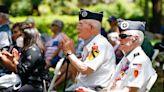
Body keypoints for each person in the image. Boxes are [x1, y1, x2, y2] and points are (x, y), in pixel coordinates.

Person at [61, 9, 116, 91]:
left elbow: (86, 69)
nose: (77, 27)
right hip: (82, 87)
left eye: (80, 24)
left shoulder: (99, 45)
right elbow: (76, 74)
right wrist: (72, 54)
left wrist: (69, 54)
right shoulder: (90, 44)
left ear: (91, 27)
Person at [102, 20, 156, 92]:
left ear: (135, 39)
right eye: (119, 36)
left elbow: (130, 90)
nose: (119, 39)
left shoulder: (140, 61)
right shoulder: (127, 58)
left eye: (123, 36)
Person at [0, 22, 49, 92]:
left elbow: (22, 71)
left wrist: (10, 60)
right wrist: (13, 59)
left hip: (35, 84)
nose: (19, 38)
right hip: (25, 81)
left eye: (22, 36)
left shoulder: (32, 50)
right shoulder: (26, 49)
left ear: (28, 38)